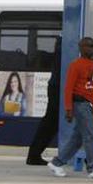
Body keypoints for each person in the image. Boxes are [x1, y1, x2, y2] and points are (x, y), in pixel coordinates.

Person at [47, 37, 93, 179]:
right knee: (90, 135)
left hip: (89, 104)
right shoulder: (75, 65)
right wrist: (68, 109)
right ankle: (92, 168)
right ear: (82, 48)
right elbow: (68, 88)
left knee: (78, 138)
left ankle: (57, 163)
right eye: (90, 46)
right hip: (80, 103)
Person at [26, 38, 61, 166]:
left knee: (51, 122)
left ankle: (34, 154)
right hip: (58, 87)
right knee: (51, 122)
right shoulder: (65, 45)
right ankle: (34, 154)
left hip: (56, 86)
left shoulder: (62, 43)